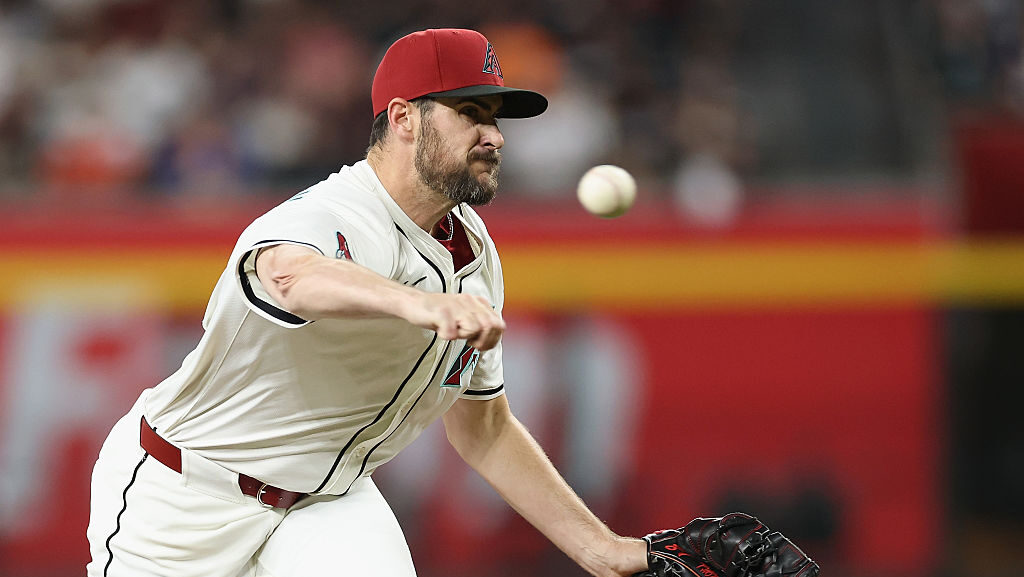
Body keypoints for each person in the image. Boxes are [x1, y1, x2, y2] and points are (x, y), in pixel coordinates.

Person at [86, 28, 649, 577]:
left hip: (327, 503)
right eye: (470, 113)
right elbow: (291, 276)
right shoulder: (334, 211)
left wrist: (604, 551)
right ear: (404, 118)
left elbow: (485, 429)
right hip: (184, 495)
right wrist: (417, 305)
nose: (494, 136)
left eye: (495, 118)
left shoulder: (473, 253)